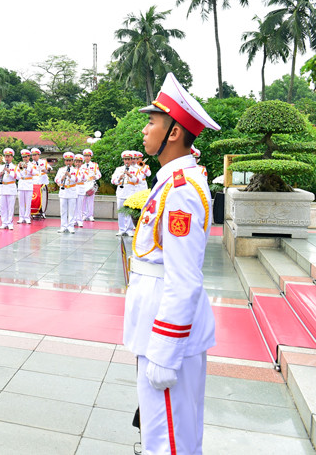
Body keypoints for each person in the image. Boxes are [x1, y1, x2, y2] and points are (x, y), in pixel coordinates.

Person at [124, 72, 220, 455]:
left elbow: (184, 279)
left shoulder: (181, 191)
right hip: (157, 322)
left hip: (166, 332)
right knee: (166, 433)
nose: (145, 129)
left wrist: (165, 350)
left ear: (174, 133)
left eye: (152, 122)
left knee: (168, 442)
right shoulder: (173, 182)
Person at [112, 151, 136, 236]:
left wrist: (130, 175)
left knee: (130, 212)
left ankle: (129, 229)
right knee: (121, 211)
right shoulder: (118, 169)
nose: (127, 161)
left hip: (131, 193)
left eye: (128, 159)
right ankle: (121, 229)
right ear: (123, 160)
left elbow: (137, 180)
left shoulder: (135, 170)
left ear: (131, 160)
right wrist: (119, 178)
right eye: (125, 159)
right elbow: (113, 181)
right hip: (121, 192)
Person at [54, 152, 78, 234]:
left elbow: (78, 179)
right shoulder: (61, 170)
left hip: (72, 191)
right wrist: (62, 178)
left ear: (72, 161)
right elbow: (56, 179)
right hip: (63, 191)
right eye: (67, 160)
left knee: (71, 210)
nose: (68, 162)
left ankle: (71, 226)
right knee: (63, 210)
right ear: (65, 161)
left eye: (70, 160)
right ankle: (63, 226)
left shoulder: (75, 170)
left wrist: (70, 175)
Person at [0, 148, 19, 230]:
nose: (7, 158)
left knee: (10, 207)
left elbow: (18, 177)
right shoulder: (1, 167)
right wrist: (0, 175)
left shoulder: (15, 167)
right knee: (3, 207)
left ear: (12, 157)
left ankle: (10, 223)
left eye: (9, 156)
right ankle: (4, 222)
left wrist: (9, 171)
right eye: (6, 156)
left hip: (11, 188)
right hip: (3, 188)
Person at [16, 149, 37, 224]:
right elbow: (17, 175)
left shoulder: (32, 165)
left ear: (29, 157)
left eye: (26, 157)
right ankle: (21, 217)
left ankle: (27, 217)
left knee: (28, 202)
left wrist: (27, 167)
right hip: (21, 183)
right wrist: (19, 168)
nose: (24, 158)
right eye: (23, 157)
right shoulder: (20, 164)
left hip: (28, 184)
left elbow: (35, 173)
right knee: (21, 202)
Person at [80, 149, 101, 222]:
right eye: (85, 156)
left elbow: (99, 174)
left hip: (91, 184)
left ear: (90, 157)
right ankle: (84, 215)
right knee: (83, 200)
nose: (87, 158)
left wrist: (96, 177)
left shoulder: (95, 165)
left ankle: (90, 215)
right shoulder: (81, 166)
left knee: (91, 201)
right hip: (84, 184)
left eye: (88, 156)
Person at [30, 147, 51, 219]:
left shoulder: (43, 162)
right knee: (35, 198)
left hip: (42, 182)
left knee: (43, 198)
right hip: (34, 183)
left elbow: (49, 169)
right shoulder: (30, 163)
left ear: (38, 155)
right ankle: (34, 212)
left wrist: (46, 169)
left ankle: (43, 212)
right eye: (32, 155)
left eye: (35, 155)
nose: (34, 156)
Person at [73, 154, 87, 227]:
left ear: (82, 163)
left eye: (79, 162)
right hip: (74, 188)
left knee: (79, 205)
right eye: (76, 162)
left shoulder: (84, 170)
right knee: (74, 205)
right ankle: (74, 219)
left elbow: (86, 178)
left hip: (81, 188)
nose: (77, 163)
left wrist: (80, 172)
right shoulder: (72, 170)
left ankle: (79, 220)